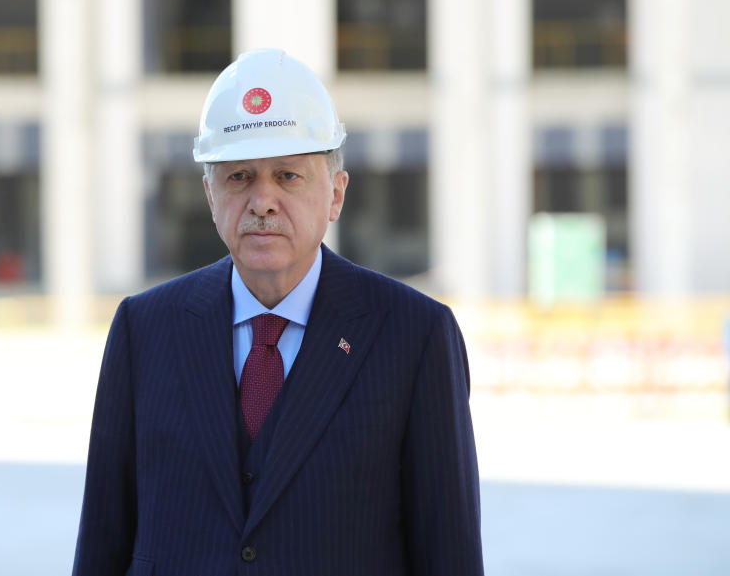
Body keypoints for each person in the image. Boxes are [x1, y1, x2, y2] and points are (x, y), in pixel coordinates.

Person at [72, 49, 484, 576]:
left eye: (288, 176)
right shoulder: (144, 329)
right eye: (239, 176)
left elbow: (448, 554)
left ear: (336, 194)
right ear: (210, 194)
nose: (262, 201)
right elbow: (104, 540)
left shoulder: (414, 335)